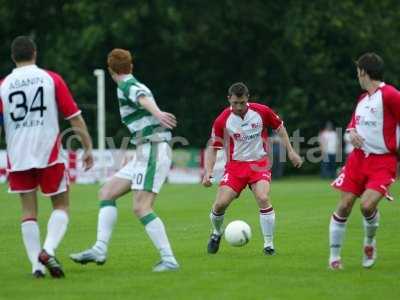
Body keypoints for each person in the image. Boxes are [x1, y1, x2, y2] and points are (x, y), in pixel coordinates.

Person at [70, 48, 179, 272]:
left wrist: (157, 113)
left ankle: (169, 260)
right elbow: (141, 96)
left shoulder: (126, 84)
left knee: (141, 207)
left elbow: (140, 96)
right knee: (107, 192)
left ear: (111, 71)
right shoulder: (130, 82)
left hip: (154, 149)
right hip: (144, 150)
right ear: (131, 65)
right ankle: (99, 249)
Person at [0, 36, 94, 278]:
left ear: (13, 57)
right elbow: (74, 116)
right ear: (35, 52)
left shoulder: (3, 85)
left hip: (17, 155)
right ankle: (48, 249)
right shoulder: (51, 79)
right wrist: (88, 147)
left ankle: (36, 266)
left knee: (28, 211)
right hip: (48, 153)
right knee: (61, 205)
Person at [202, 82, 303, 255]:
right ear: (229, 100)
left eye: (241, 103)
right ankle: (217, 233)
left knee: (263, 198)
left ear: (247, 98)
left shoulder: (261, 111)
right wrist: (208, 171)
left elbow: (280, 128)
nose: (238, 107)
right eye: (234, 103)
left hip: (259, 164)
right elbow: (213, 147)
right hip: (235, 167)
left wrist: (291, 152)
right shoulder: (222, 120)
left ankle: (268, 245)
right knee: (220, 205)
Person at [329, 52, 400, 270]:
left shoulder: (390, 95)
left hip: (383, 162)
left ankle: (369, 243)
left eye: (358, 72)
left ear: (363, 72)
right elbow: (353, 124)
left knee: (367, 206)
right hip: (358, 160)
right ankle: (334, 258)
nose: (357, 77)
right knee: (344, 205)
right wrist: (351, 132)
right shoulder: (363, 99)